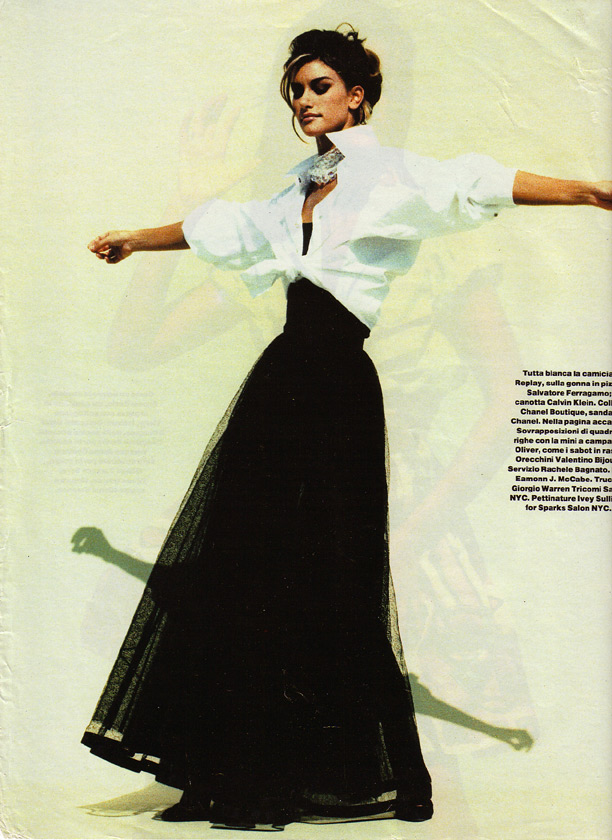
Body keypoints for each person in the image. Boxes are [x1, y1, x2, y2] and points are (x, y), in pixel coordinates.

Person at [83, 26, 612, 830]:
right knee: (241, 570)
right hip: (276, 389)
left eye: (320, 87)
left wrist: (586, 191)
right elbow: (226, 227)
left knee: (336, 577)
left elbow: (478, 182)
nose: (303, 102)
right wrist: (137, 238)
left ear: (358, 95)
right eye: (296, 91)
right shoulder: (300, 186)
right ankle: (223, 775)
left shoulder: (394, 176)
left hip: (336, 390)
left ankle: (379, 780)